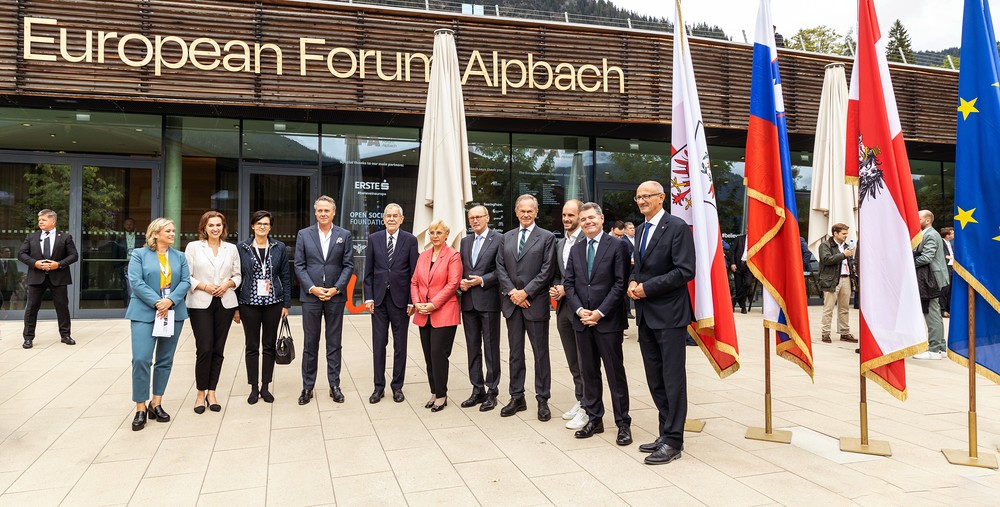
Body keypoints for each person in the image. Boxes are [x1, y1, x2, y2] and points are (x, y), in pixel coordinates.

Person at [627, 181, 695, 466]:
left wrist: (647, 288)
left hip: (669, 315)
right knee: (655, 379)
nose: (642, 200)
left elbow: (685, 270)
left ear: (661, 198)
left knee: (672, 379)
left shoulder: (676, 227)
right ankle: (664, 432)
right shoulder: (640, 230)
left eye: (647, 196)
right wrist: (633, 281)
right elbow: (640, 267)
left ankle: (674, 441)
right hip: (646, 316)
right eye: (638, 196)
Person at [563, 202, 632, 446]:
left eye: (592, 217)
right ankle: (595, 419)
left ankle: (623, 423)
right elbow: (569, 283)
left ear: (602, 219)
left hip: (608, 322)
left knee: (615, 374)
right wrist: (581, 310)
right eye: (583, 219)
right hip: (582, 321)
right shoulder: (577, 248)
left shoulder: (617, 246)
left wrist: (600, 312)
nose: (587, 222)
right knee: (589, 373)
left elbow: (620, 284)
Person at [126, 218, 190, 431]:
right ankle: (140, 407)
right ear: (155, 234)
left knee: (165, 360)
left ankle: (156, 403)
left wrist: (170, 301)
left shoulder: (179, 257)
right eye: (168, 231)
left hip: (172, 312)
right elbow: (136, 282)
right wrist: (157, 301)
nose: (173, 234)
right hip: (145, 313)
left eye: (173, 230)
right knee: (141, 359)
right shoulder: (139, 254)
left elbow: (185, 282)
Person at [496, 194, 556, 421]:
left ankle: (543, 399)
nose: (526, 214)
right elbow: (500, 266)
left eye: (530, 210)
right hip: (513, 304)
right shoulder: (506, 237)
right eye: (522, 210)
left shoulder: (547, 237)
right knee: (515, 353)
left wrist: (526, 292)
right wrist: (513, 292)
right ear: (516, 211)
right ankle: (517, 397)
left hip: (535, 303)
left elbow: (547, 269)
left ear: (536, 212)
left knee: (540, 353)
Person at [294, 195, 354, 405]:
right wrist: (312, 288)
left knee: (334, 342)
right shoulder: (304, 234)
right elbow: (299, 265)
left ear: (334, 212)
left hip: (335, 297)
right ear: (315, 212)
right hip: (311, 297)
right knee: (310, 343)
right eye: (320, 210)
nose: (323, 214)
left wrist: (336, 288)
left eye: (327, 210)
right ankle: (307, 387)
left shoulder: (344, 235)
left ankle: (334, 385)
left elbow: (348, 265)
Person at [185, 211, 241, 413]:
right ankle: (200, 393)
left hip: (225, 303)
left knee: (218, 349)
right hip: (200, 303)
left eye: (219, 225)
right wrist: (204, 286)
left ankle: (212, 391)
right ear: (204, 228)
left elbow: (238, 275)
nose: (215, 228)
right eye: (211, 225)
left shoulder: (231, 248)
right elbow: (187, 275)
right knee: (205, 348)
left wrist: (228, 284)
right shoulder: (193, 247)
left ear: (223, 228)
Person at [363, 203, 419, 404]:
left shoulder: (410, 240)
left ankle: (397, 387)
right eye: (388, 216)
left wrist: (413, 300)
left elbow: (414, 274)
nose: (392, 219)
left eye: (396, 216)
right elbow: (368, 272)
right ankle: (378, 387)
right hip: (378, 301)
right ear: (383, 218)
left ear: (402, 219)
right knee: (379, 345)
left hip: (401, 301)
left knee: (400, 345)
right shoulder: (374, 239)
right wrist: (368, 298)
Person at [234, 210, 291, 404]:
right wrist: (235, 307)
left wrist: (286, 303)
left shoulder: (279, 247)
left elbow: (285, 275)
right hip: (248, 303)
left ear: (270, 227)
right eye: (259, 223)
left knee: (269, 345)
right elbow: (236, 275)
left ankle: (266, 386)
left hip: (273, 303)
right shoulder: (241, 248)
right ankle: (253, 387)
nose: (262, 226)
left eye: (266, 224)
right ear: (252, 226)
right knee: (251, 346)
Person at [411, 220, 462, 412]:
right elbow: (414, 281)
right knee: (428, 356)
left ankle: (441, 395)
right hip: (423, 313)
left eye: (439, 232)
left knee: (438, 355)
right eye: (432, 232)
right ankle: (434, 391)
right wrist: (417, 303)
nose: (434, 236)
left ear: (447, 235)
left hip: (444, 312)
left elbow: (453, 284)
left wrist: (433, 304)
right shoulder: (423, 256)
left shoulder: (453, 256)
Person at [458, 205, 504, 411]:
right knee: (472, 348)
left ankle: (492, 391)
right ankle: (477, 389)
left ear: (487, 217)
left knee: (491, 349)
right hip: (468, 303)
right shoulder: (465, 241)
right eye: (472, 218)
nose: (475, 221)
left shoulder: (499, 239)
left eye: (478, 217)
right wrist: (460, 282)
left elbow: (501, 270)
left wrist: (482, 280)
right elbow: (460, 268)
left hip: (489, 302)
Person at [549, 199, 587, 430]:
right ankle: (580, 398)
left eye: (571, 215)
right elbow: (557, 273)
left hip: (582, 308)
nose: (566, 219)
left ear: (580, 216)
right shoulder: (561, 243)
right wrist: (556, 286)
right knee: (573, 360)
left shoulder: (587, 239)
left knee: (585, 361)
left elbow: (592, 277)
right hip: (563, 309)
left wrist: (567, 287)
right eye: (564, 215)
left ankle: (588, 406)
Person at [19, 209, 79, 349]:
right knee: (32, 307)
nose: (40, 222)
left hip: (58, 277)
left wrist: (59, 264)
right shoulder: (31, 237)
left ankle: (65, 335)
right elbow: (21, 254)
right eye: (39, 220)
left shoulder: (65, 237)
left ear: (53, 221)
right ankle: (28, 338)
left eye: (44, 220)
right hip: (36, 276)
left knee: (62, 307)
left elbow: (74, 255)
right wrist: (35, 263)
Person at [913, 211, 948, 360]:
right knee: (935, 313)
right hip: (933, 278)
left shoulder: (930, 235)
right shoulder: (929, 234)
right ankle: (940, 347)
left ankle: (934, 350)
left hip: (931, 278)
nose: (916, 220)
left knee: (931, 313)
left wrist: (909, 263)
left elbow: (927, 257)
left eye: (919, 218)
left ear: (927, 220)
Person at [818, 223, 857, 344]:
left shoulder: (846, 246)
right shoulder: (825, 245)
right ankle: (825, 333)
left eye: (847, 233)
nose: (846, 236)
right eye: (843, 233)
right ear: (835, 233)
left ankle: (844, 332)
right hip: (832, 279)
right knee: (828, 308)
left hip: (846, 278)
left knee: (844, 308)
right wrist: (843, 255)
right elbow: (826, 260)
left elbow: (850, 262)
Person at [115, 218, 144, 301]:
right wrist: (117, 266)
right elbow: (115, 252)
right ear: (124, 225)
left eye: (130, 224)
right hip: (122, 264)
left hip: (137, 263)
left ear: (134, 225)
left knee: (136, 285)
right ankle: (126, 304)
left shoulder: (140, 236)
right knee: (124, 286)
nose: (128, 226)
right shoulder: (119, 237)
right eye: (127, 224)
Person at [728, 233, 753, 313]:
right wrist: (732, 263)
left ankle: (734, 300)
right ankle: (743, 307)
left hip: (749, 266)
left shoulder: (755, 240)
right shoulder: (739, 238)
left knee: (747, 283)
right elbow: (732, 252)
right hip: (738, 265)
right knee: (738, 286)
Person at [939, 227, 954, 318]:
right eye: (952, 233)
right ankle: (943, 310)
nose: (953, 235)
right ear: (947, 235)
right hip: (945, 268)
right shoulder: (941, 243)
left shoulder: (950, 244)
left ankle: (948, 309)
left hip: (952, 268)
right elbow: (941, 254)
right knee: (944, 290)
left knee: (950, 290)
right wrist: (949, 257)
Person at [1, 246, 21, 310]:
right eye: (6, 251)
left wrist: (16, 288)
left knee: (7, 303)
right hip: (0, 285)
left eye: (9, 251)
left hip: (8, 287)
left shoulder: (12, 263)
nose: (8, 253)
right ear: (1, 254)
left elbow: (15, 276)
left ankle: (7, 315)